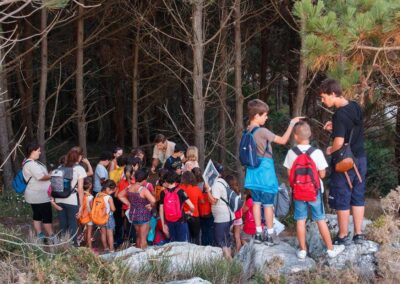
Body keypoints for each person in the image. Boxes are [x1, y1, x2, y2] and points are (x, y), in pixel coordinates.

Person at [243, 99, 303, 245]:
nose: (266, 117)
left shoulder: (247, 130)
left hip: (252, 172)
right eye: (264, 115)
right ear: (256, 115)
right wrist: (292, 123)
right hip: (265, 172)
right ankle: (270, 234)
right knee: (268, 204)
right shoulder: (262, 131)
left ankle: (258, 233)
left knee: (256, 203)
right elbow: (282, 140)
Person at [283, 121, 345, 258]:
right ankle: (330, 249)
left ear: (295, 136)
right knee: (320, 219)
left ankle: (303, 250)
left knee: (300, 220)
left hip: (298, 192)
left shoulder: (291, 152)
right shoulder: (316, 152)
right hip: (314, 191)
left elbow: (289, 174)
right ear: (309, 135)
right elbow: (322, 174)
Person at [319, 78, 367, 245]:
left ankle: (343, 235)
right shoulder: (354, 106)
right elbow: (354, 126)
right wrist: (336, 125)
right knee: (358, 196)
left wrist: (330, 150)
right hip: (360, 158)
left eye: (324, 97)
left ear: (333, 94)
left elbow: (339, 142)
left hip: (345, 162)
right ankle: (359, 234)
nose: (323, 101)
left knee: (342, 196)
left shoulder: (339, 114)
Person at [22, 142, 54, 242]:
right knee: (47, 216)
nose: (40, 153)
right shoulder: (31, 164)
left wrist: (48, 175)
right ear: (32, 151)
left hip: (35, 195)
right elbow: (41, 177)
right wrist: (53, 175)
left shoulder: (32, 162)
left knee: (37, 215)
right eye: (38, 151)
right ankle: (52, 236)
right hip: (40, 196)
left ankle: (40, 235)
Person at [55, 146, 87, 244]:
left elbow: (55, 185)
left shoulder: (61, 167)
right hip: (71, 200)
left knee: (63, 224)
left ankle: (63, 246)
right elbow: (80, 189)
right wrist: (81, 206)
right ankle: (73, 246)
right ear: (80, 157)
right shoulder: (79, 169)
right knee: (72, 224)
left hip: (59, 199)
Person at [119, 169, 156, 249]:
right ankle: (143, 256)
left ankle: (138, 251)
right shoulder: (143, 190)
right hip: (143, 215)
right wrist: (151, 205)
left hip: (133, 214)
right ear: (145, 179)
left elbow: (120, 195)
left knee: (138, 235)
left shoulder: (129, 187)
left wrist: (129, 203)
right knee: (143, 238)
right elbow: (153, 200)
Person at [205, 163, 234, 260]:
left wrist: (207, 190)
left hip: (221, 218)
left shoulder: (216, 184)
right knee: (226, 241)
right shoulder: (224, 182)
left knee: (220, 241)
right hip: (228, 215)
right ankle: (230, 264)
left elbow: (214, 200)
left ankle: (230, 263)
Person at [159, 170, 194, 242]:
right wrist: (190, 212)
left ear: (166, 180)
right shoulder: (181, 191)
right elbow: (192, 206)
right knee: (182, 243)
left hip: (169, 221)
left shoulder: (163, 193)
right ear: (175, 180)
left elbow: (161, 209)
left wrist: (163, 225)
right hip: (181, 220)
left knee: (172, 242)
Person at [179, 171, 204, 245]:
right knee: (196, 237)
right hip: (195, 215)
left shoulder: (180, 188)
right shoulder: (196, 188)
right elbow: (202, 201)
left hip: (183, 215)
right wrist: (195, 202)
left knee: (187, 237)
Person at [193, 167, 214, 246]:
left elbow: (199, 200)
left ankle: (204, 245)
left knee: (203, 230)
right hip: (209, 211)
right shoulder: (207, 183)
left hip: (200, 211)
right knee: (209, 230)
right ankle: (209, 245)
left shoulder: (194, 186)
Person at [96, 180, 116, 253]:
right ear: (109, 189)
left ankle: (105, 248)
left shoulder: (98, 194)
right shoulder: (108, 197)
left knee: (103, 233)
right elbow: (113, 209)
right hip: (108, 217)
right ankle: (111, 250)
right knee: (110, 234)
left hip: (100, 217)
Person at [225, 175, 243, 252]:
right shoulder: (238, 192)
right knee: (237, 237)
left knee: (227, 235)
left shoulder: (228, 192)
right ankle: (238, 253)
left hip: (231, 216)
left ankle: (228, 252)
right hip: (238, 216)